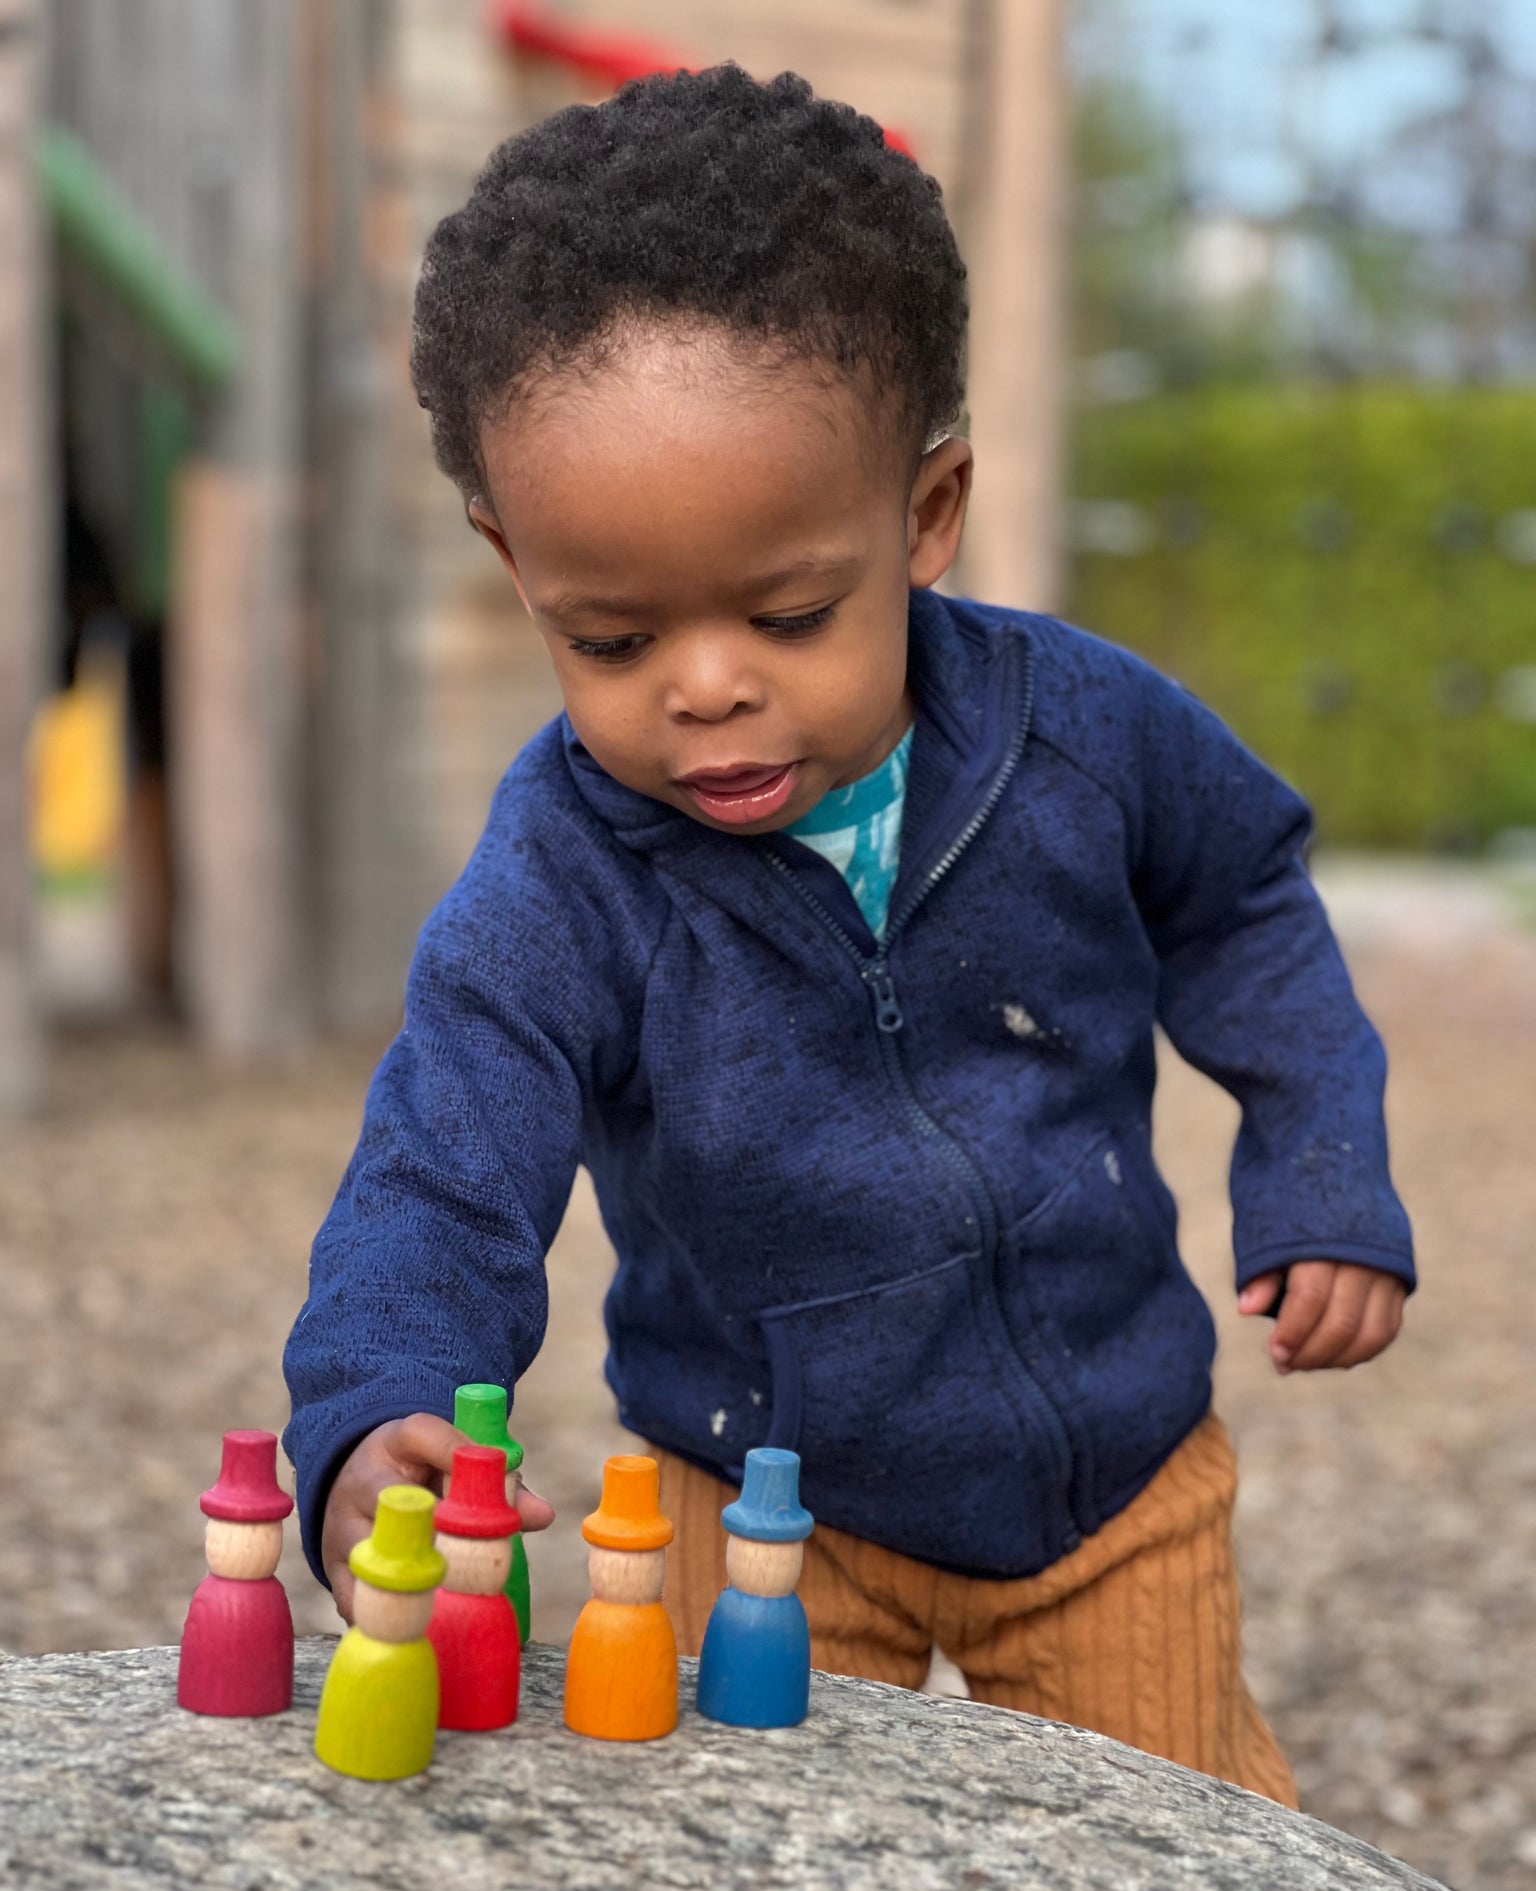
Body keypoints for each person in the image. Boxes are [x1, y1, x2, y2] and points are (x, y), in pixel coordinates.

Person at [282, 65, 1414, 1802]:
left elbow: (1245, 891)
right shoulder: (564, 882)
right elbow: (443, 1160)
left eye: (792, 611)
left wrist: (1320, 1158)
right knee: (750, 1887)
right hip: (756, 1503)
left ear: (927, 516)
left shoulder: (1084, 737)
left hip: (1105, 1485)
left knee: (1178, 1863)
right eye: (609, 641)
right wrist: (379, 1403)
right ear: (519, 572)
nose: (709, 684)